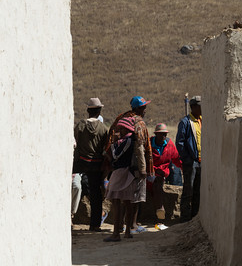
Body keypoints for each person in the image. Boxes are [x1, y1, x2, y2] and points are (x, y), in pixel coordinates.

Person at [103, 95, 154, 242]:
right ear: (137, 108)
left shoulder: (123, 129)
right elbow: (140, 150)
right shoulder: (138, 124)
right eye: (143, 107)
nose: (145, 110)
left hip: (122, 171)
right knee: (129, 201)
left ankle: (116, 233)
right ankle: (127, 231)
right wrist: (143, 169)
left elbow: (115, 152)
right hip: (132, 171)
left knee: (117, 201)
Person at [74, 97, 109, 231]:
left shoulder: (80, 126)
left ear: (88, 110)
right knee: (96, 195)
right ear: (99, 111)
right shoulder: (103, 129)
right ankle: (95, 224)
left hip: (81, 163)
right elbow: (105, 149)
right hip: (96, 164)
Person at [149, 123, 182, 221]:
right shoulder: (149, 144)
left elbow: (176, 158)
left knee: (158, 183)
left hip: (162, 173)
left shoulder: (169, 144)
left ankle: (160, 211)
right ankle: (160, 210)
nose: (164, 136)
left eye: (165, 134)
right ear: (156, 134)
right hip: (150, 172)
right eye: (161, 134)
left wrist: (183, 166)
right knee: (155, 183)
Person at [176, 95, 202, 222]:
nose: (203, 109)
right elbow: (180, 143)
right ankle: (185, 218)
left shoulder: (202, 121)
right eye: (200, 106)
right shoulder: (186, 122)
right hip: (191, 162)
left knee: (198, 191)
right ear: (193, 107)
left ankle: (195, 217)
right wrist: (187, 159)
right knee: (188, 191)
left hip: (201, 162)